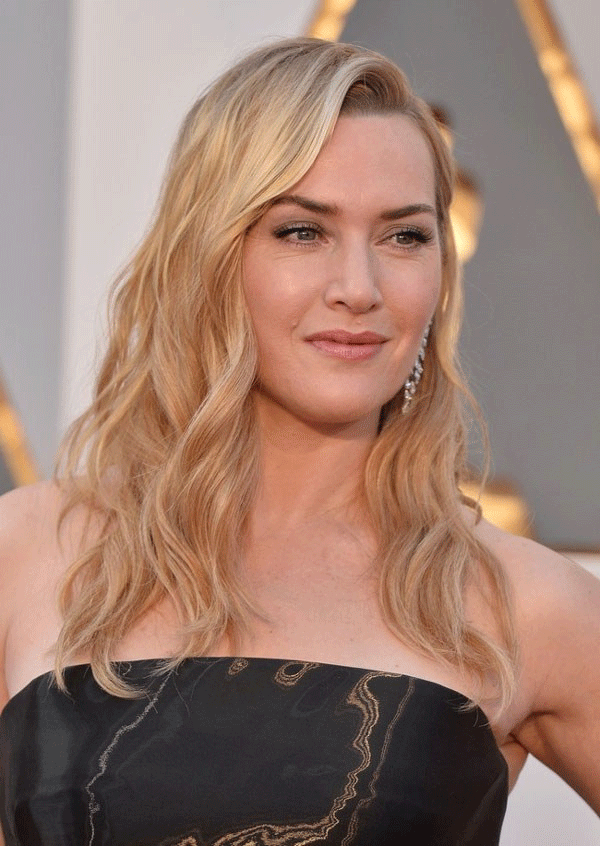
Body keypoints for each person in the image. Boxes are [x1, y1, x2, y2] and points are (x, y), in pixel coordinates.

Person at [0, 36, 599, 845]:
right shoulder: (25, 554)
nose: (358, 288)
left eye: (404, 236)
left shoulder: (525, 606)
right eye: (302, 232)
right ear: (210, 256)